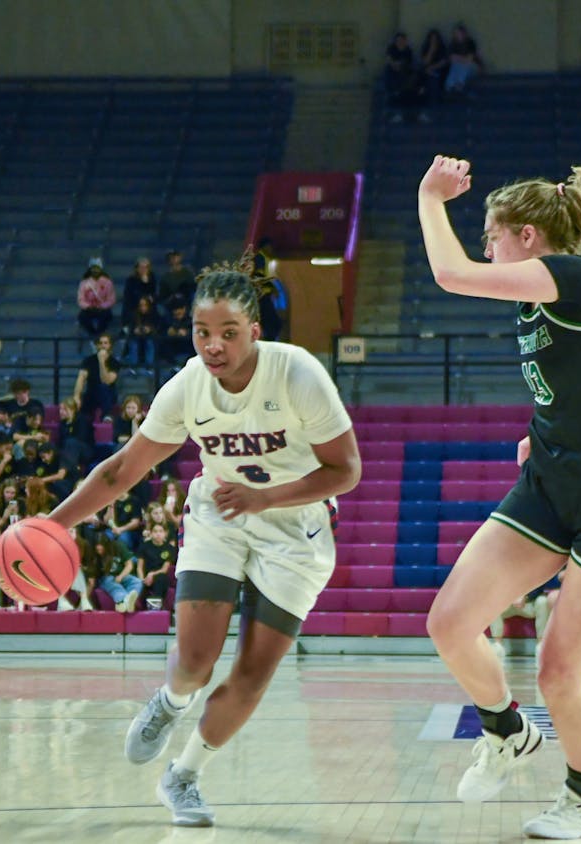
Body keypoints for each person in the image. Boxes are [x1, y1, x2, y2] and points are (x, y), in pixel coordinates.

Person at [47, 255, 361, 828]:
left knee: (253, 674)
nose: (213, 346)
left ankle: (183, 776)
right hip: (220, 516)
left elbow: (346, 472)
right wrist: (50, 526)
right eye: (201, 332)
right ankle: (170, 702)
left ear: (255, 333)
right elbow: (122, 470)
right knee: (194, 662)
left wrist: (265, 499)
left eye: (228, 334)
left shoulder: (298, 373)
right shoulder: (188, 386)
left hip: (294, 530)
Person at [417, 156, 581, 838]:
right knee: (448, 623)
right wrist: (540, 432)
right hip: (554, 480)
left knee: (560, 671)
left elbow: (449, 274)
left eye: (493, 237)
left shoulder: (576, 277)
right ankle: (505, 731)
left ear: (527, 235)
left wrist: (429, 198)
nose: (487, 252)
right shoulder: (543, 297)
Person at [73, 334, 120, 422]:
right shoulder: (89, 360)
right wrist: (76, 395)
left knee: (103, 387)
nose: (103, 346)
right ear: (97, 345)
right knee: (86, 399)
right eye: (100, 343)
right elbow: (81, 378)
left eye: (105, 343)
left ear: (110, 345)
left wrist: (101, 362)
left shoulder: (114, 362)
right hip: (92, 392)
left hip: (109, 394)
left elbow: (106, 381)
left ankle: (107, 416)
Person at [383, 32, 426, 124]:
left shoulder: (408, 50)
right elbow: (390, 61)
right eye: (398, 40)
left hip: (403, 74)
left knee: (412, 90)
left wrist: (401, 66)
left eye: (402, 40)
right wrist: (396, 65)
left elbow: (407, 64)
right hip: (392, 74)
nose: (400, 42)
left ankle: (414, 114)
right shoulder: (392, 49)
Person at [77, 261, 117, 340]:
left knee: (107, 316)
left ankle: (99, 334)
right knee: (82, 317)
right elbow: (80, 299)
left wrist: (102, 306)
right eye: (93, 268)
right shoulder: (84, 283)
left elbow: (111, 299)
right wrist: (88, 307)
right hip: (89, 309)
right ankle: (92, 334)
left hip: (102, 309)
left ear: (101, 269)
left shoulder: (108, 282)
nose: (95, 271)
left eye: (97, 268)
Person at [444, 24, 486, 94]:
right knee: (455, 66)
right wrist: (460, 59)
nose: (457, 35)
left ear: (463, 33)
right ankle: (450, 84)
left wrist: (458, 58)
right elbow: (451, 58)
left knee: (463, 66)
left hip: (471, 66)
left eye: (458, 33)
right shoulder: (453, 44)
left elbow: (469, 59)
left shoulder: (470, 43)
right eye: (455, 33)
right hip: (458, 66)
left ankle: (458, 84)